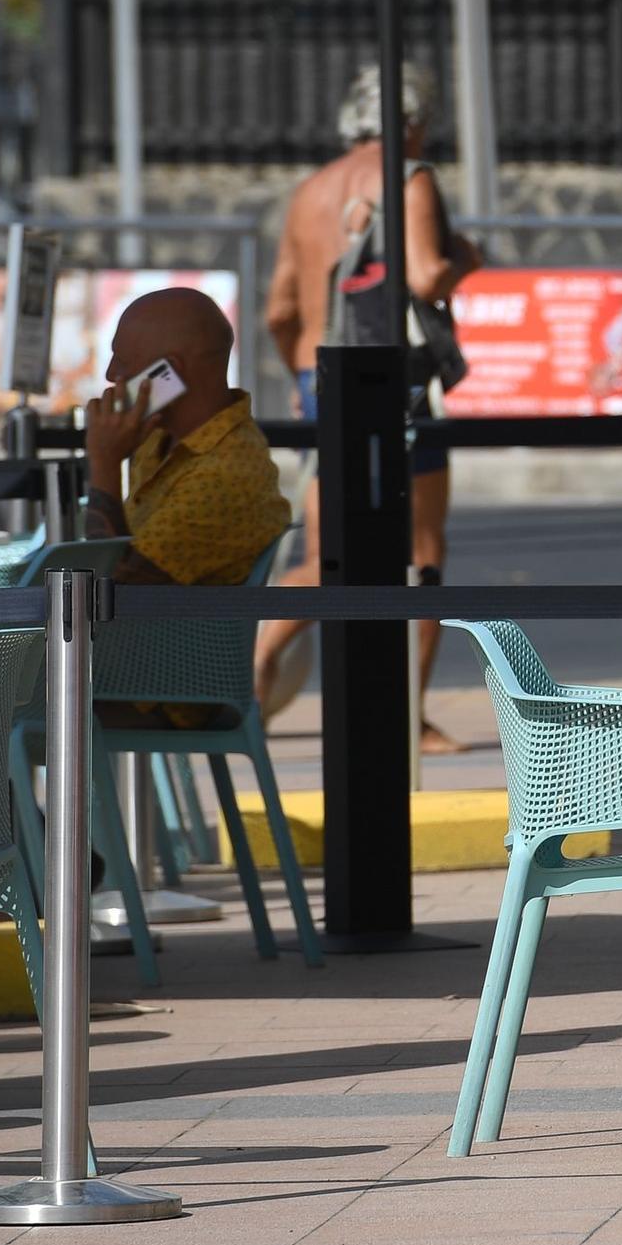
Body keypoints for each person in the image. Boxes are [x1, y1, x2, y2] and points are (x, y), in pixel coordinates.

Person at [255, 62, 481, 752]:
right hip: (396, 379)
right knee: (421, 550)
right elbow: (424, 274)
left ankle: (253, 667)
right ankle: (407, 717)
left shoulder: (308, 192)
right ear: (412, 118)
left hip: (319, 378)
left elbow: (281, 309)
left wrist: (307, 372)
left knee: (328, 551)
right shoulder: (409, 177)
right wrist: (465, 259)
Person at [82, 287, 291, 725]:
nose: (110, 374)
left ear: (167, 372)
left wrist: (102, 464)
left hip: (161, 691)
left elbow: (116, 601)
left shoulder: (225, 473)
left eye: (122, 361)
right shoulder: (159, 439)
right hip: (125, 668)